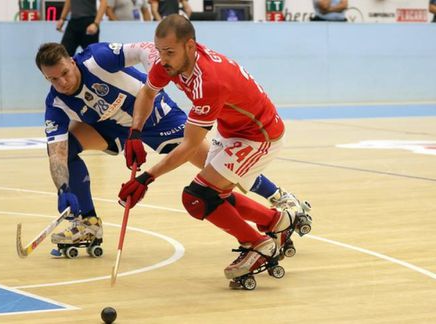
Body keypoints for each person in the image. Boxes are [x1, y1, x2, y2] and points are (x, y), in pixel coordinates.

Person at [35, 41, 307, 258]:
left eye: (64, 73)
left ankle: (281, 199)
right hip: (111, 129)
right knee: (66, 149)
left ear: (72, 62)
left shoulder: (98, 58)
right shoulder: (56, 104)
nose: (62, 83)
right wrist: (63, 189)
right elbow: (56, 153)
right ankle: (87, 223)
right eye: (52, 80)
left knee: (213, 167)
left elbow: (145, 49)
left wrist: (157, 75)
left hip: (156, 117)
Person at [118, 15, 311, 284]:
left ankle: (259, 245)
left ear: (190, 46)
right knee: (212, 194)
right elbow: (147, 93)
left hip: (260, 136)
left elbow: (189, 146)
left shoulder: (210, 81)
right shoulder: (170, 63)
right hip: (234, 131)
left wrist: (146, 177)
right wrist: (134, 133)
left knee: (197, 197)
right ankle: (277, 220)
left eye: (169, 52)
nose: (162, 59)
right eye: (160, 51)